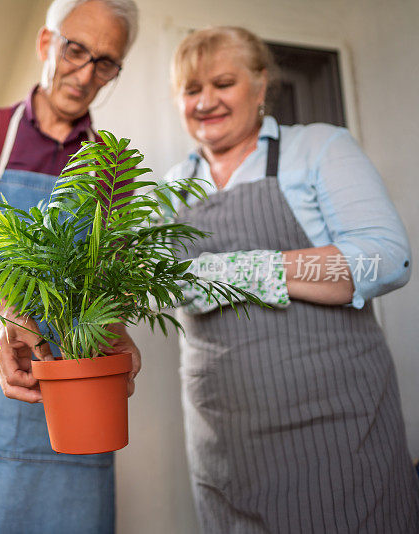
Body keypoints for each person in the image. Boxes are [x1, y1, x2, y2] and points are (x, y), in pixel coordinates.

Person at [164, 26, 419, 533]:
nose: (206, 101)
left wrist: (247, 269)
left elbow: (384, 259)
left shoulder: (318, 148)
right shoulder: (170, 188)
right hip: (224, 442)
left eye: (223, 83)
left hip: (339, 431)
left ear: (261, 87)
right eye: (192, 90)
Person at [0, 1, 141, 532]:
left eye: (106, 62)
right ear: (46, 44)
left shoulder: (111, 167)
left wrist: (117, 328)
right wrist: (10, 310)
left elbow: (104, 279)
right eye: (75, 49)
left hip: (77, 403)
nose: (86, 74)